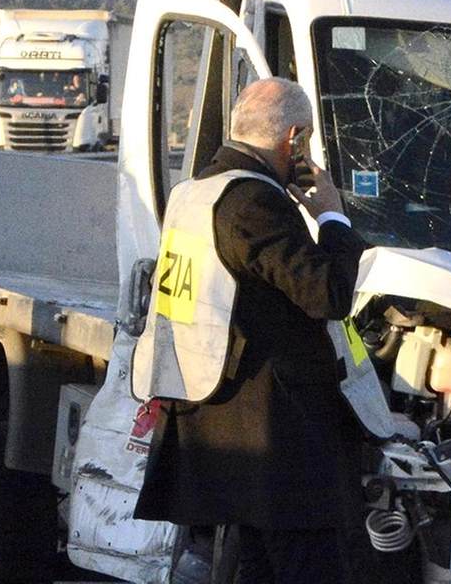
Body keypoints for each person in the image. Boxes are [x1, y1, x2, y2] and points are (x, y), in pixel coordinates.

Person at [133, 78, 365, 583]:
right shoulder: (253, 202)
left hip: (213, 407)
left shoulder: (195, 192)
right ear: (295, 138)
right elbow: (326, 294)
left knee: (256, 565)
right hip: (272, 425)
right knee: (310, 565)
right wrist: (332, 217)